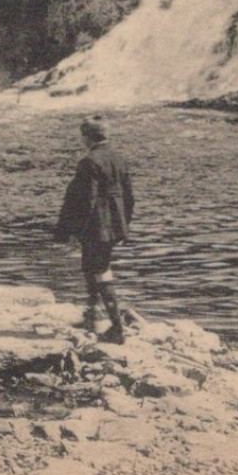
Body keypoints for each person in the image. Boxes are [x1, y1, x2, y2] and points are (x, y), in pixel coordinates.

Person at [54, 114, 135, 343]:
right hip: (114, 225)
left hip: (95, 226)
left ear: (87, 138)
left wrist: (72, 230)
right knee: (93, 269)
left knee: (98, 272)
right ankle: (93, 317)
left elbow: (84, 200)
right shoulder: (119, 158)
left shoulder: (89, 162)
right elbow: (129, 198)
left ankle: (116, 328)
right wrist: (124, 225)